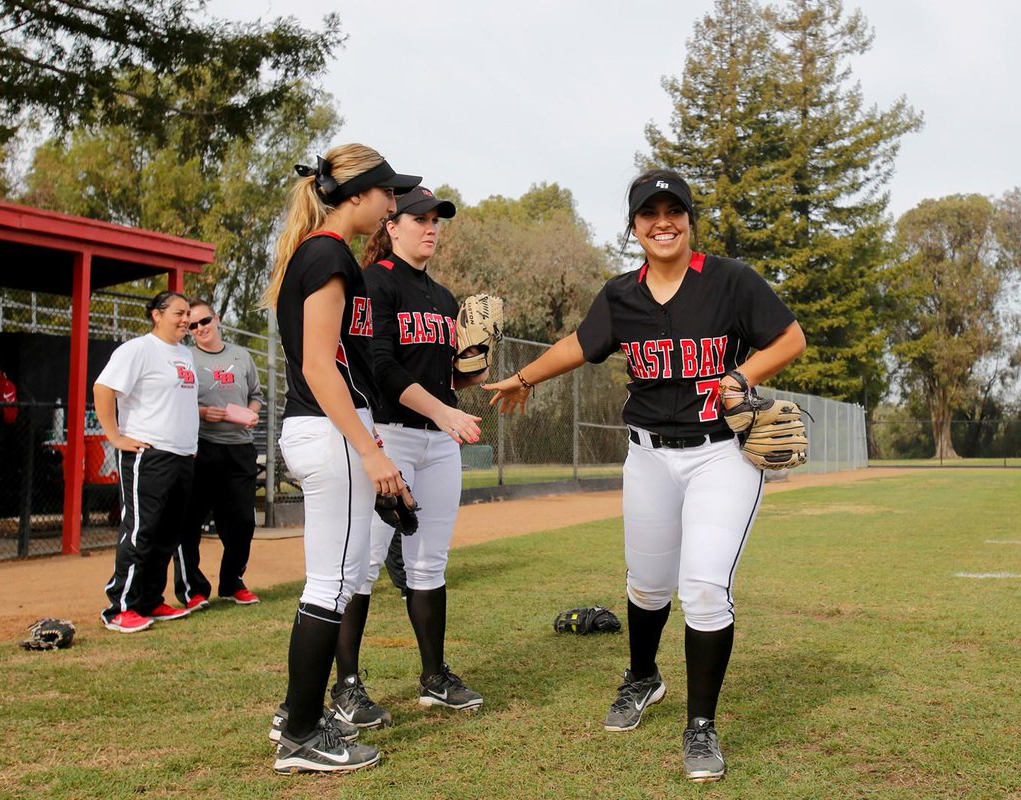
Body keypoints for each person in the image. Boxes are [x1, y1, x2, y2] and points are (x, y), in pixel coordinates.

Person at [486, 169, 806, 783]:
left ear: (689, 219)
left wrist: (743, 377)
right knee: (648, 583)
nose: (663, 222)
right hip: (649, 455)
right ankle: (642, 677)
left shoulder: (730, 281)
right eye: (649, 213)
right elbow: (580, 343)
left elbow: (789, 337)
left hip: (721, 455)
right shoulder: (621, 294)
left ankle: (701, 725)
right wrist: (525, 377)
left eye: (674, 210)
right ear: (634, 226)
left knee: (705, 588)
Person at [260, 143, 420, 775]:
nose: (392, 203)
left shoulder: (320, 252)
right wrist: (372, 450)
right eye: (387, 192)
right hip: (329, 432)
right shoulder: (327, 253)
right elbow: (321, 367)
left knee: (336, 577)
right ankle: (301, 734)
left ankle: (297, 713)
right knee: (331, 582)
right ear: (357, 196)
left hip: (321, 430)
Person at [327, 186, 486, 729]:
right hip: (386, 435)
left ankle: (434, 675)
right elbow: (384, 366)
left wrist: (477, 360)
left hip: (438, 442)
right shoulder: (374, 282)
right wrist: (444, 411)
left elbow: (450, 376)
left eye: (437, 219)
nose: (431, 227)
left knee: (428, 563)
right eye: (419, 218)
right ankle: (346, 685)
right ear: (391, 226)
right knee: (363, 565)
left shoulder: (443, 297)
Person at [95, 291, 200, 633]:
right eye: (179, 313)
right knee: (140, 529)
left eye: (188, 314)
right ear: (157, 314)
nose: (186, 319)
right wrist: (115, 436)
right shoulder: (137, 349)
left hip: (182, 455)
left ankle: (150, 600)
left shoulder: (185, 353)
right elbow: (103, 388)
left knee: (168, 533)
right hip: (149, 454)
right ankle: (120, 607)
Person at [171, 298, 265, 611]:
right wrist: (200, 412)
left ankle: (232, 582)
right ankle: (193, 590)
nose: (199, 329)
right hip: (200, 447)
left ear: (218, 319)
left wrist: (251, 413)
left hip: (239, 448)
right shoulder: (185, 357)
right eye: (192, 325)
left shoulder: (241, 356)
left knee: (241, 521)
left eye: (204, 321)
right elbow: (174, 399)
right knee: (188, 521)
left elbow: (256, 396)